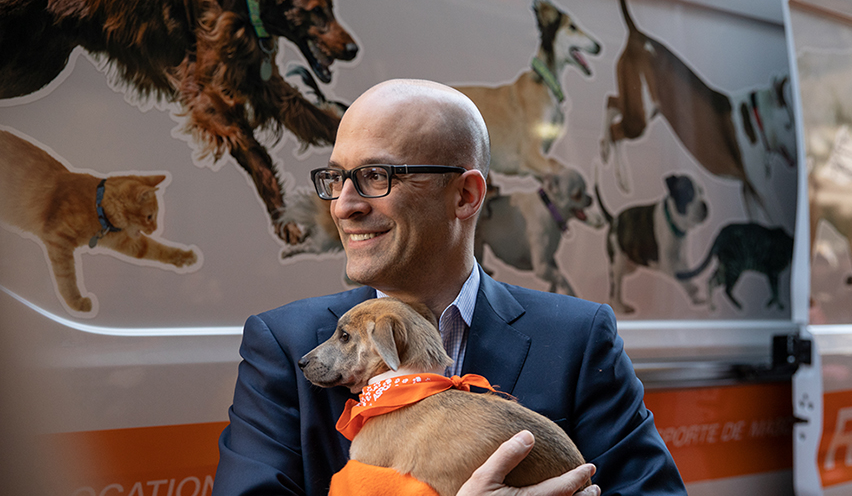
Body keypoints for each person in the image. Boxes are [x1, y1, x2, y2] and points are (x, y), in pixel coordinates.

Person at [213, 79, 685, 495]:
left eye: (376, 176)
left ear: (465, 195)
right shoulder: (282, 344)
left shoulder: (577, 338)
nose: (343, 206)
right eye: (336, 178)